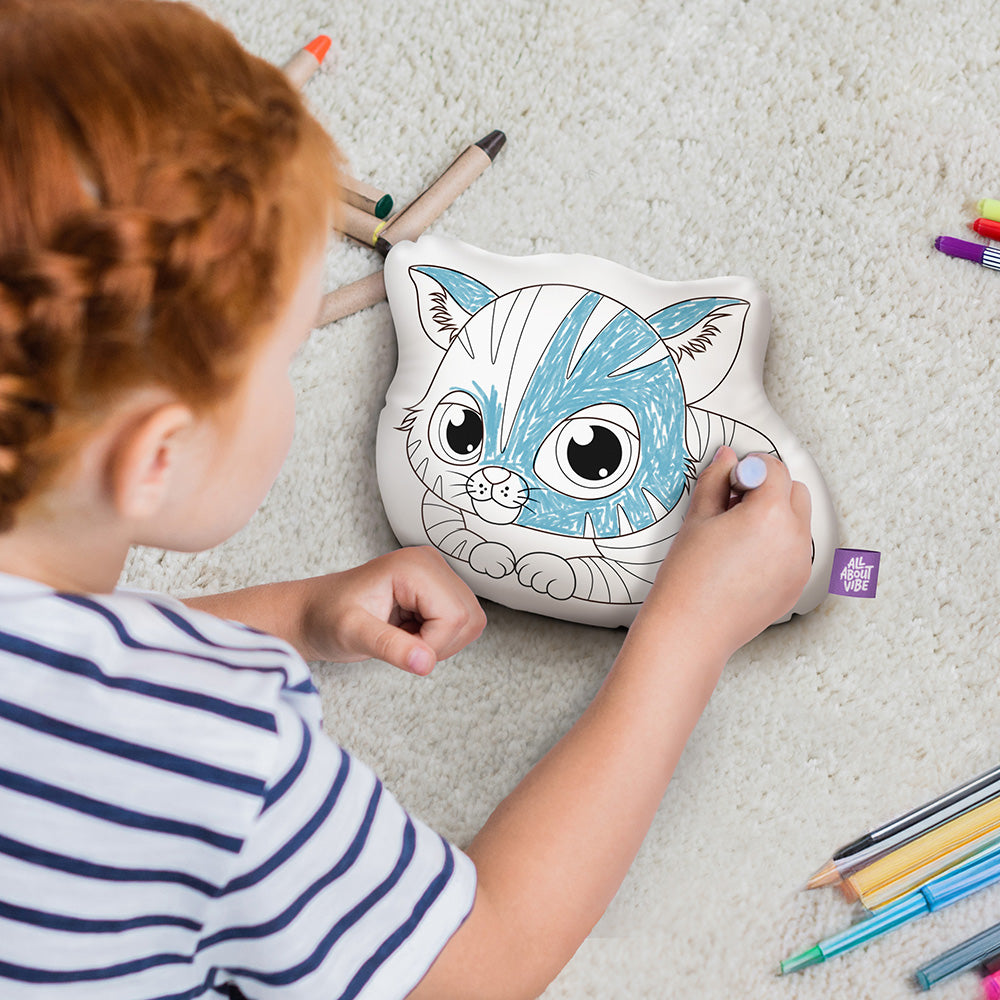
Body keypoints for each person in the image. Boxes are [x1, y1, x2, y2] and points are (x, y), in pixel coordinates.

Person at [0, 1, 814, 998]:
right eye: (284, 361)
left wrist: (290, 614)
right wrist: (689, 631)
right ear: (158, 455)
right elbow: (478, 962)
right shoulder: (217, 754)